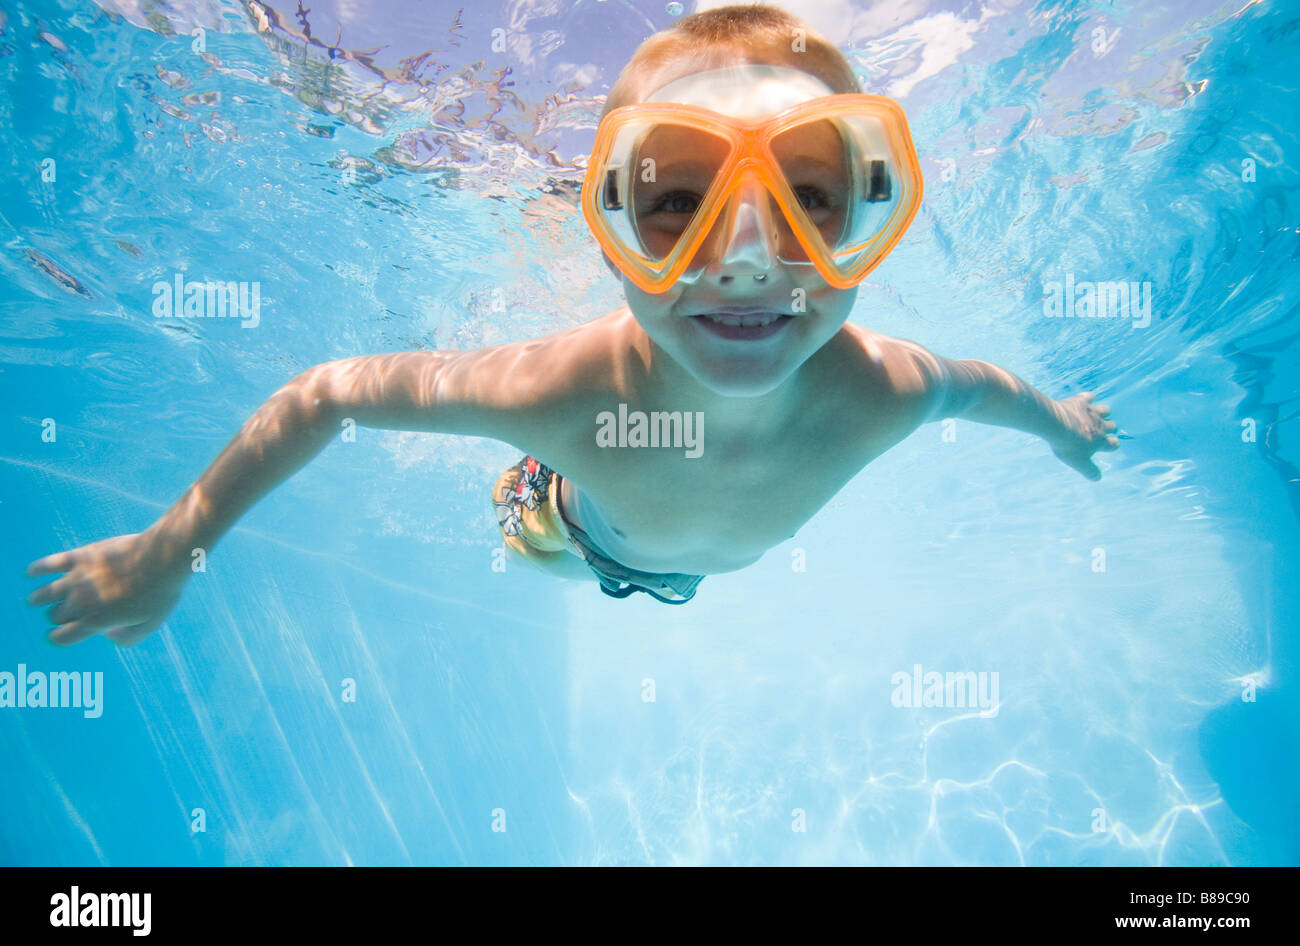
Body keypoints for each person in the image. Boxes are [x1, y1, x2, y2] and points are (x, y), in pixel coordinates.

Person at [25, 5, 1119, 638]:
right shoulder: (563, 392)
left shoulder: (891, 386)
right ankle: (529, 495)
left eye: (810, 197)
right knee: (530, 538)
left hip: (684, 570)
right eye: (676, 203)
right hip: (566, 530)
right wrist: (172, 550)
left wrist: (1063, 420)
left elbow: (991, 390)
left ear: (874, 213)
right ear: (604, 226)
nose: (743, 260)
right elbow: (326, 394)